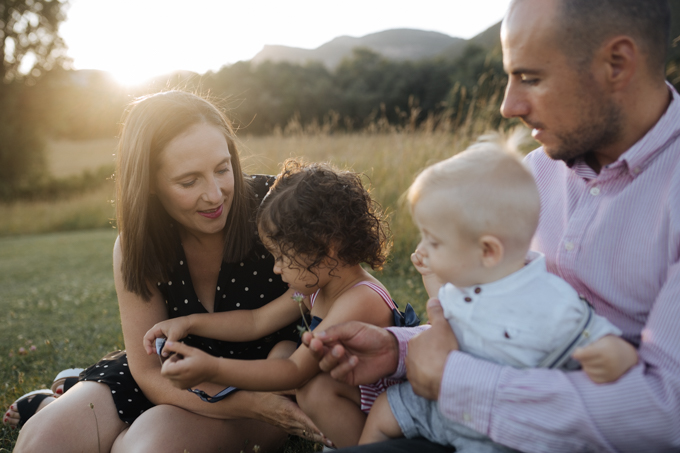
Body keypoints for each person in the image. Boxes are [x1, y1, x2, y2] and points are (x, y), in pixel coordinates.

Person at [303, 0, 680, 451]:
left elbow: (666, 412)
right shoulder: (531, 174)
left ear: (616, 64)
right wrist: (401, 351)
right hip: (471, 417)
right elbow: (505, 315)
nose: (508, 105)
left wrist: (457, 380)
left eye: (531, 78)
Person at [5, 91, 326, 453]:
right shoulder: (137, 244)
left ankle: (67, 395)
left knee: (146, 449)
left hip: (263, 380)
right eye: (189, 182)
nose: (215, 194)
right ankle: (54, 403)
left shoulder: (280, 206)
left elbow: (345, 284)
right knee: (41, 444)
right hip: (171, 377)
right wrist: (246, 403)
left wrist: (258, 401)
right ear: (150, 184)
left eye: (223, 169)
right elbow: (148, 371)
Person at [358, 135, 636, 452]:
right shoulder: (472, 280)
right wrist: (432, 272)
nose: (423, 248)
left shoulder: (548, 298)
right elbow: (444, 310)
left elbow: (591, 332)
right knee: (387, 407)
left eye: (434, 241)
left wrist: (615, 352)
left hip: (496, 431)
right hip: (443, 403)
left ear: (488, 251)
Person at [144, 159, 404, 448]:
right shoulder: (319, 289)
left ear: (326, 249)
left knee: (312, 389)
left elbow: (296, 371)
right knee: (282, 350)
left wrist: (212, 368)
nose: (276, 269)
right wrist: (190, 322)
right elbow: (256, 321)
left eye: (282, 257)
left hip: (385, 410)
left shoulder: (360, 299)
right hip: (348, 390)